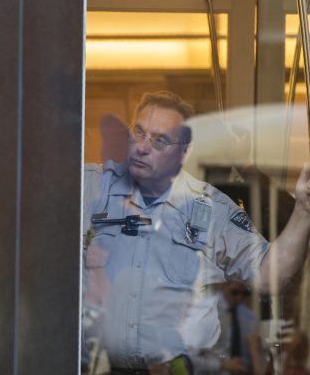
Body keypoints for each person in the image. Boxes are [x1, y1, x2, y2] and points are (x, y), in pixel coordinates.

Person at [82, 91, 310, 374]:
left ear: (183, 152)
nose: (142, 147)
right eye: (138, 132)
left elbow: (268, 275)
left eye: (160, 140)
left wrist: (303, 210)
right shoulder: (92, 188)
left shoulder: (210, 209)